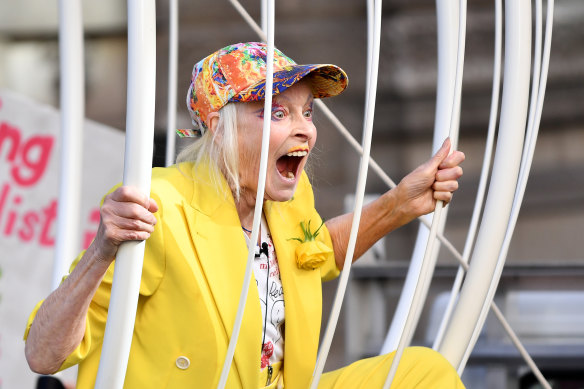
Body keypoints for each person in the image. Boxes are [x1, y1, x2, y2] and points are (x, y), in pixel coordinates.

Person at [24, 42, 466, 388]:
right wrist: (103, 249)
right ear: (219, 127)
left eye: (307, 112)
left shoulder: (289, 198)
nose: (304, 129)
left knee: (424, 373)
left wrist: (400, 204)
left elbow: (313, 256)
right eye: (277, 112)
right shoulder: (161, 204)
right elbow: (44, 355)